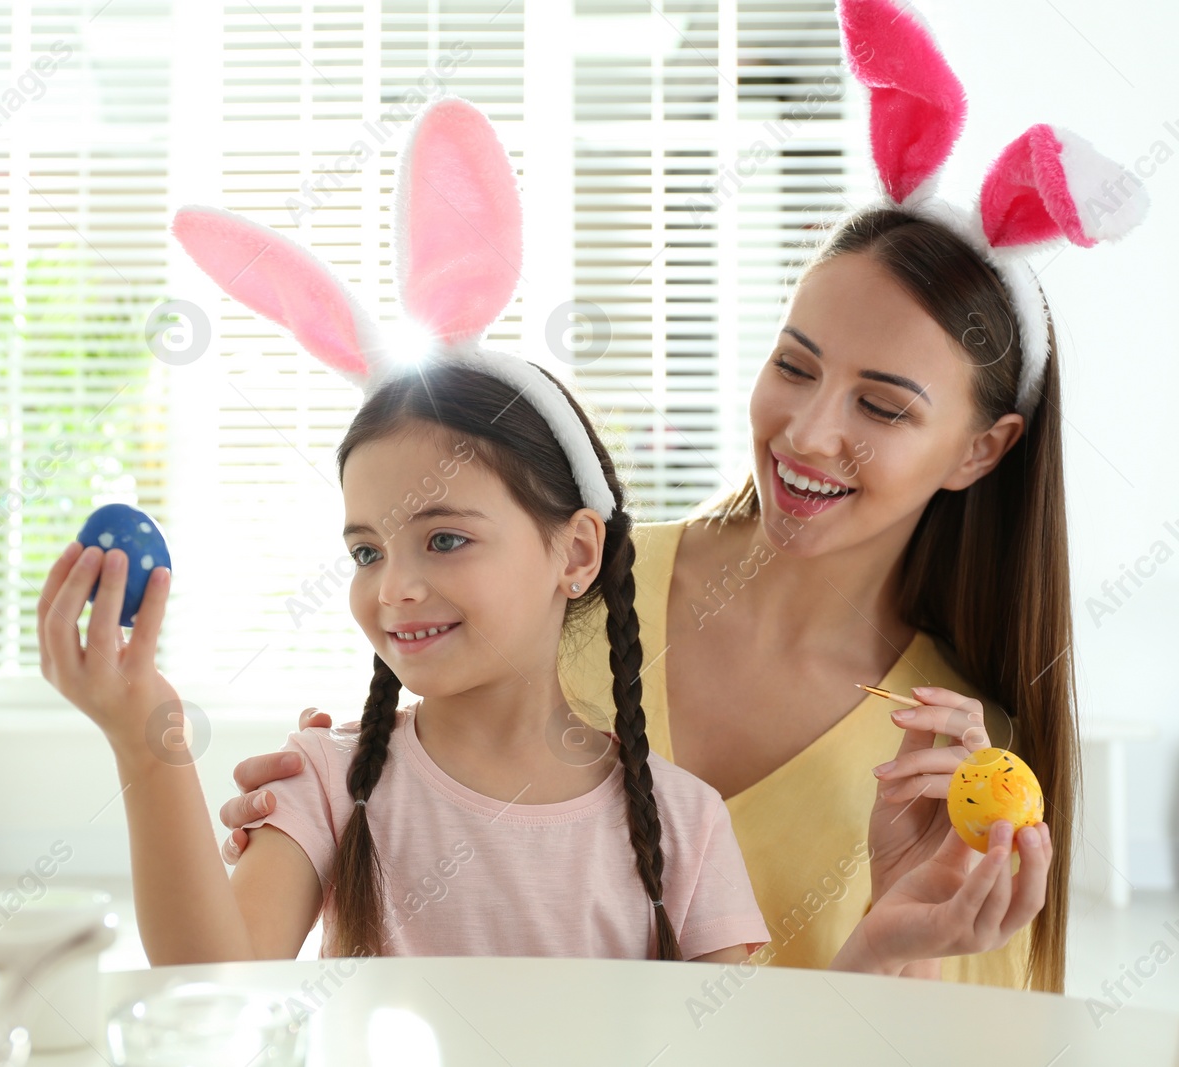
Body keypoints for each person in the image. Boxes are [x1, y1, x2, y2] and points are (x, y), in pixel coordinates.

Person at [213, 0, 1150, 991]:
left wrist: (896, 939)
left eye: (880, 404)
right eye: (794, 365)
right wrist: (327, 798)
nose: (807, 430)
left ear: (980, 448)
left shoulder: (951, 759)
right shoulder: (579, 578)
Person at [39, 94, 1047, 972]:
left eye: (444, 539)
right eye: (364, 550)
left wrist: (883, 943)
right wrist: (144, 732)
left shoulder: (681, 817)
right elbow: (209, 972)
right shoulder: (327, 780)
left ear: (576, 552)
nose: (391, 588)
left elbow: (741, 1043)